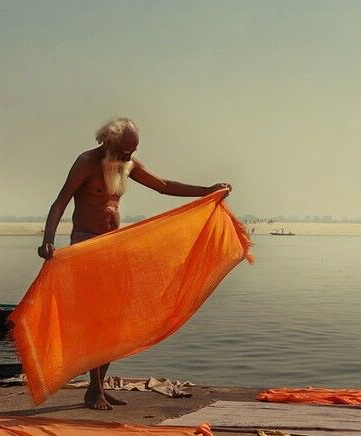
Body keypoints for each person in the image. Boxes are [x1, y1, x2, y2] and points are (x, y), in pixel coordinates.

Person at [38, 117, 232, 410]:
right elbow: (60, 202)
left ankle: (98, 386)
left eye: (133, 151)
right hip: (87, 245)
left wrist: (206, 191)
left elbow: (163, 186)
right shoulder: (86, 163)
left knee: (116, 318)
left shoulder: (127, 164)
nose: (129, 156)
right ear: (108, 143)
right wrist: (48, 239)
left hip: (115, 246)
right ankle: (94, 390)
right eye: (125, 150)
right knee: (97, 316)